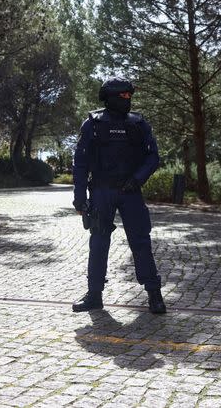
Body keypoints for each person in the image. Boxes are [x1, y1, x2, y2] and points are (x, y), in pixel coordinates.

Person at [71, 77, 166, 314]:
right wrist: (79, 197)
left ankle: (154, 294)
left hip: (131, 191)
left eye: (129, 95)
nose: (128, 99)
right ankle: (94, 295)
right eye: (123, 95)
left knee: (141, 242)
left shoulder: (138, 123)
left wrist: (137, 179)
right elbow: (80, 163)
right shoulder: (92, 124)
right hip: (102, 191)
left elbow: (153, 157)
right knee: (98, 242)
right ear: (110, 97)